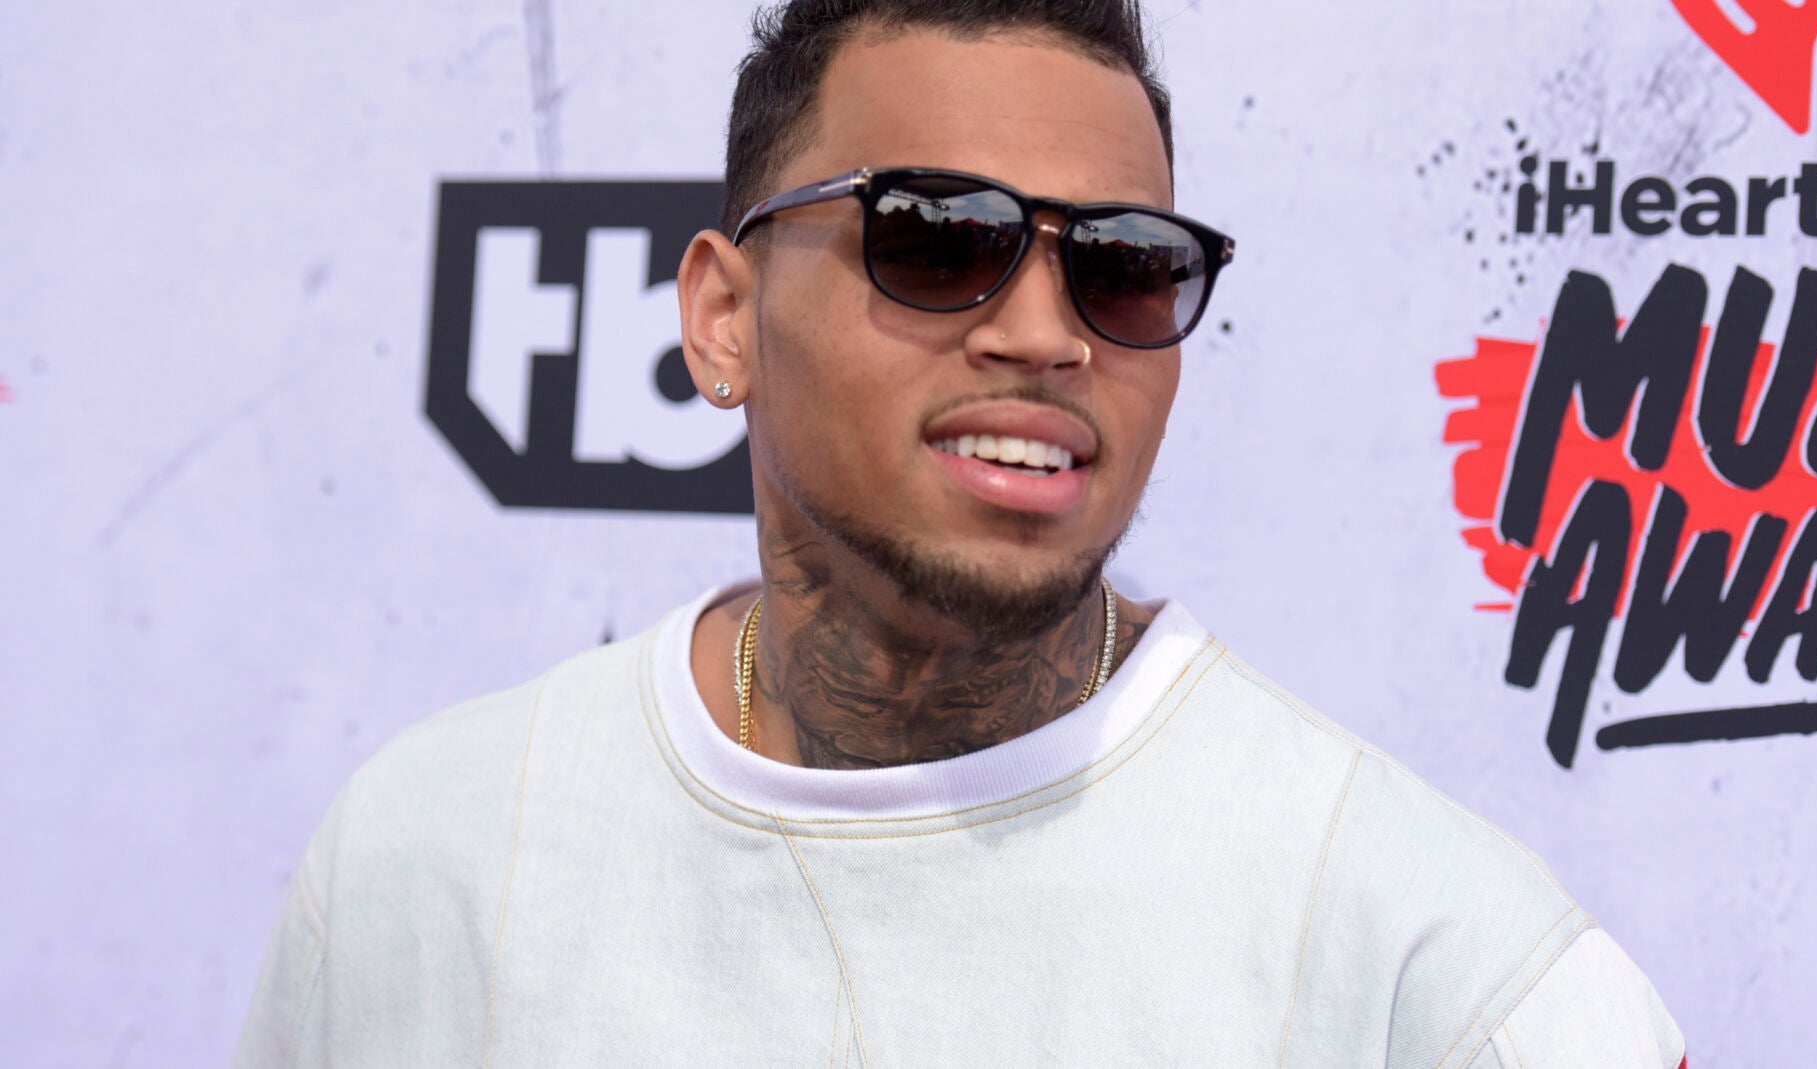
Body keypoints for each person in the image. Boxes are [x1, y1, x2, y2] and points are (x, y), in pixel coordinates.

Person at [238, 1, 1687, 1065]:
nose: (1046, 334)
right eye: (937, 238)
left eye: (1125, 266)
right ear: (725, 317)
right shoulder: (425, 864)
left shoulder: (1443, 970)